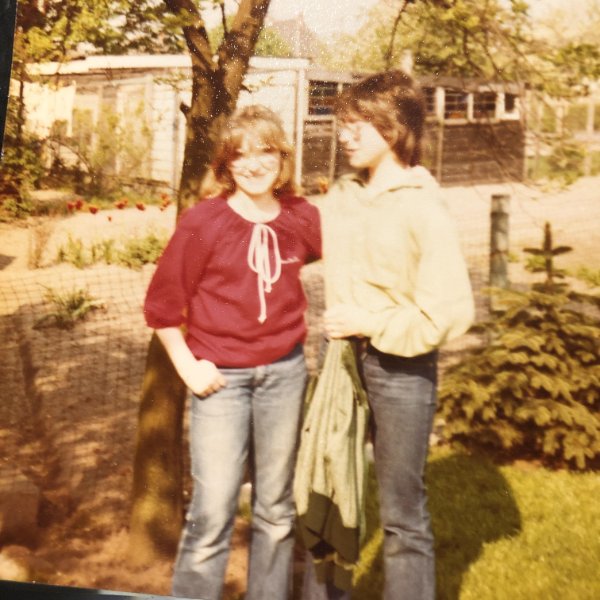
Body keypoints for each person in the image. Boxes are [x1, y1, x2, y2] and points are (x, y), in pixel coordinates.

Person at [307, 70, 475, 600]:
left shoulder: (423, 206)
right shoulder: (342, 194)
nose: (344, 135)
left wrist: (372, 323)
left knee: (402, 515)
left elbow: (449, 312)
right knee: (325, 496)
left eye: (358, 124)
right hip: (339, 360)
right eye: (343, 123)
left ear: (395, 127)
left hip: (401, 369)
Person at [143, 105, 321, 600]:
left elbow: (349, 256)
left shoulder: (301, 218)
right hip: (221, 381)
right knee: (214, 509)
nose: (253, 164)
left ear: (282, 158)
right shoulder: (205, 221)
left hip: (284, 375)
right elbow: (162, 306)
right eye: (239, 155)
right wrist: (188, 367)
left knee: (276, 509)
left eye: (265, 151)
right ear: (225, 164)